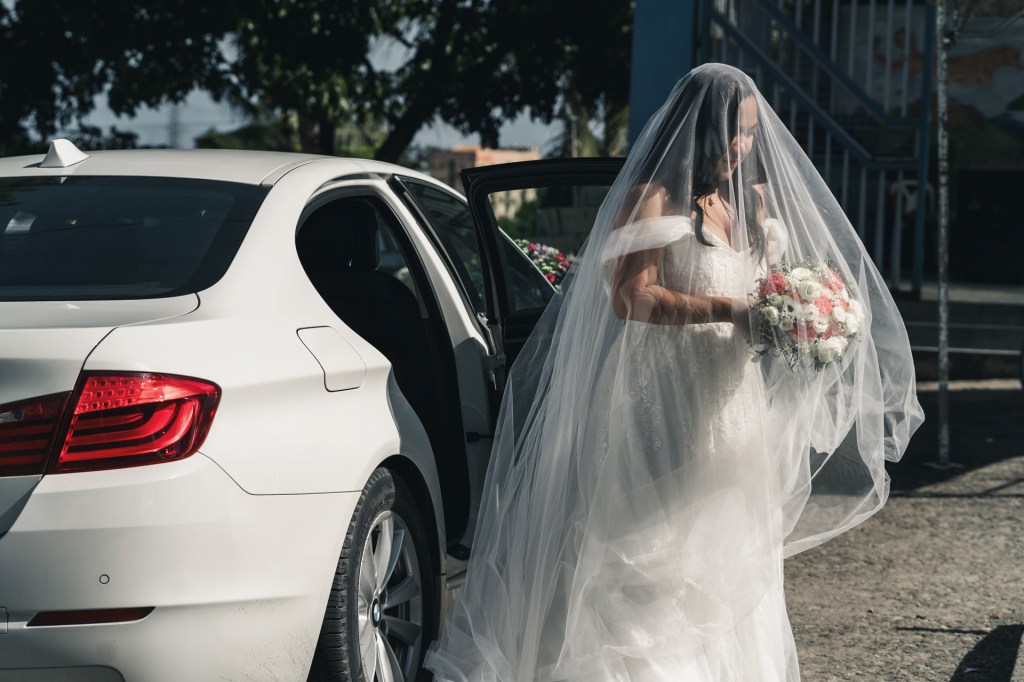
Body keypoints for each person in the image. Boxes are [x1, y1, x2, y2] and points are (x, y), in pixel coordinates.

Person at [424, 63, 923, 681]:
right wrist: (733, 310)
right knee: (649, 551)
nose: (744, 149)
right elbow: (630, 298)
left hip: (732, 402)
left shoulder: (750, 203)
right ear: (704, 132)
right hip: (661, 402)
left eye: (750, 135)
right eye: (734, 135)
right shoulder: (653, 199)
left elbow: (770, 286)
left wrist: (801, 315)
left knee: (729, 548)